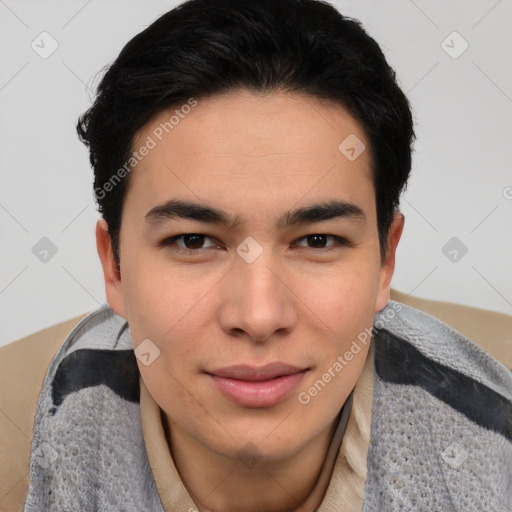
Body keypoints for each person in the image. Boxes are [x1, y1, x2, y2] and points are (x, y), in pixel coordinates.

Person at [1, 0, 511, 510]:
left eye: (316, 241)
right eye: (193, 241)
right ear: (114, 266)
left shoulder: (492, 446)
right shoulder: (14, 434)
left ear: (385, 261)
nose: (259, 316)